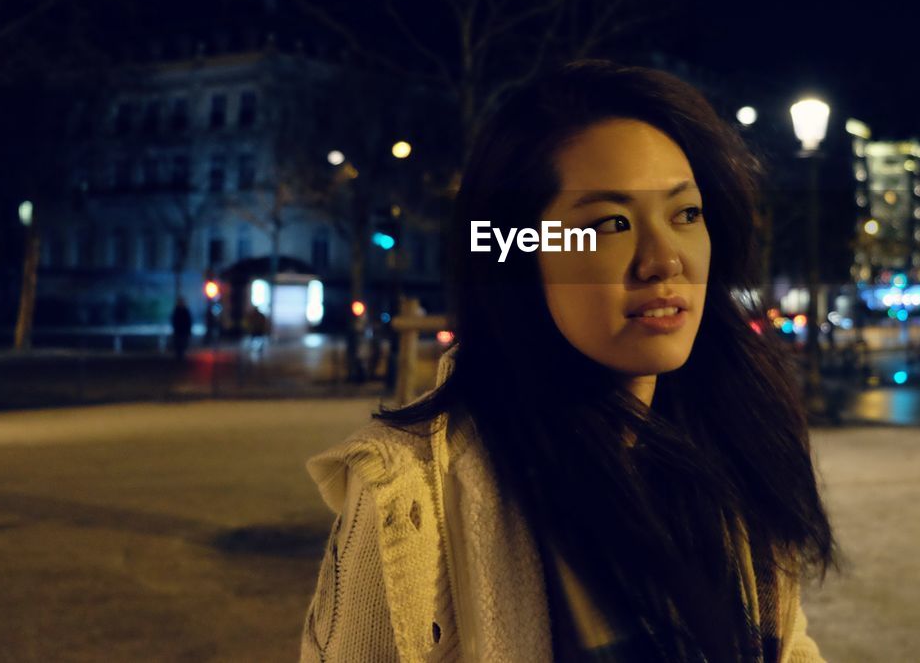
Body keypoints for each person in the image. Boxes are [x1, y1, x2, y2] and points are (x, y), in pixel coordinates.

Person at [300, 61, 838, 662]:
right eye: (611, 223)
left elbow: (788, 645)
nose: (664, 260)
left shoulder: (735, 437)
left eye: (686, 213)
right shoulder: (407, 494)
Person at [170, 297, 192, 361]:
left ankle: (181, 356)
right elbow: (174, 321)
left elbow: (188, 322)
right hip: (179, 331)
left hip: (183, 331)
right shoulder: (178, 311)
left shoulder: (184, 311)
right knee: (179, 345)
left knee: (182, 344)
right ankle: (179, 356)